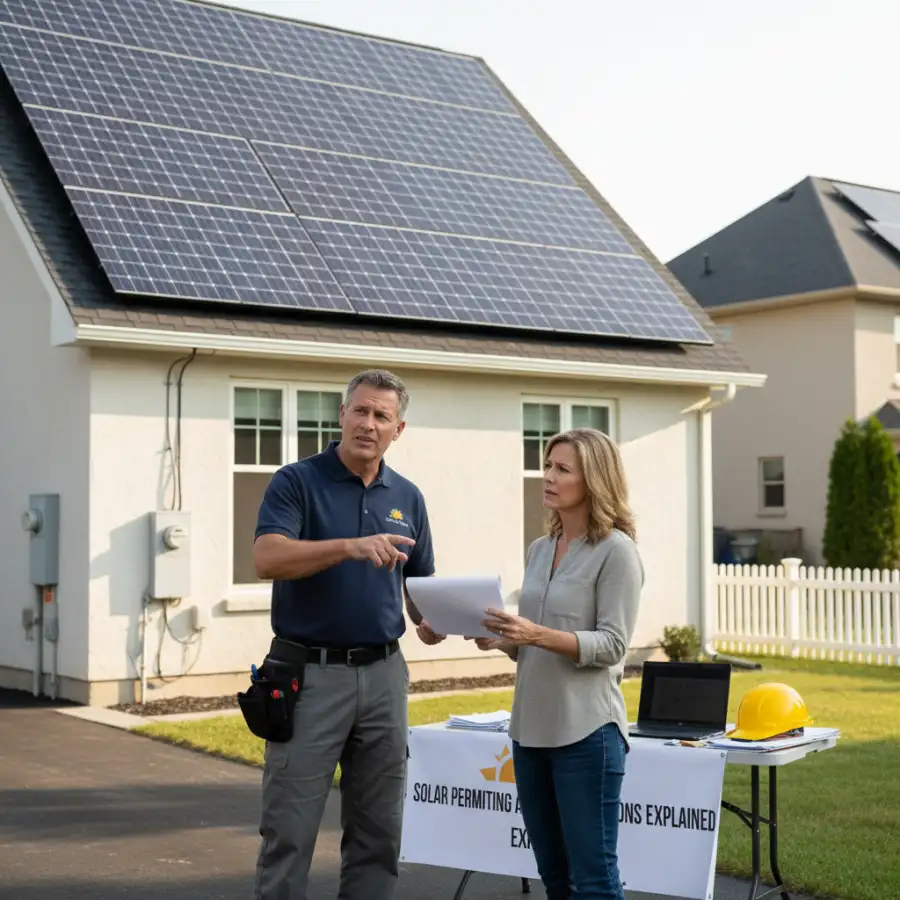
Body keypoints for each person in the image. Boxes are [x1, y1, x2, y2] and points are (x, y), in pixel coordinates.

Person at [250, 369, 445, 900]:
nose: (368, 423)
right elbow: (266, 557)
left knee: (379, 833)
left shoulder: (408, 496)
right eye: (359, 411)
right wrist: (348, 545)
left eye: (381, 415)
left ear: (397, 429)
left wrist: (431, 621)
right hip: (310, 677)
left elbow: (418, 583)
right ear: (341, 416)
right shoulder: (296, 481)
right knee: (289, 833)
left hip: (384, 676)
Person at [470, 427, 643, 900]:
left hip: (587, 735)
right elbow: (535, 644)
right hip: (529, 732)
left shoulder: (618, 553)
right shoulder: (539, 550)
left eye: (562, 469)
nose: (547, 476)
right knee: (555, 878)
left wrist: (534, 633)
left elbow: (612, 645)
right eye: (547, 465)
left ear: (594, 481)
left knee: (594, 879)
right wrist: (504, 640)